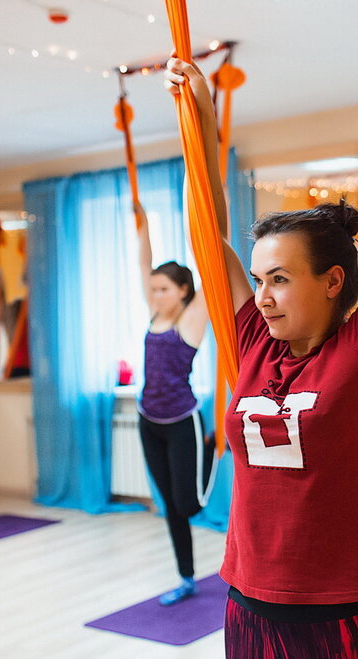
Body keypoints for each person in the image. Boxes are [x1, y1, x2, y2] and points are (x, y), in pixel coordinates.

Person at [164, 1, 358, 659]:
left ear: (333, 281)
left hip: (344, 610)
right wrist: (201, 113)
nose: (263, 295)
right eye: (259, 279)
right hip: (249, 604)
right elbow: (207, 231)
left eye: (279, 279)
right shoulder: (251, 339)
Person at [135, 205, 214, 606]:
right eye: (154, 290)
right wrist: (144, 225)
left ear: (183, 290)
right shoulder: (154, 315)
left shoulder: (191, 318)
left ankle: (211, 450)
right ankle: (186, 577)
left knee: (188, 503)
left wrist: (206, 213)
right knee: (170, 507)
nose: (156, 295)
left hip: (183, 420)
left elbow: (208, 265)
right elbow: (144, 264)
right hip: (148, 420)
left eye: (164, 289)